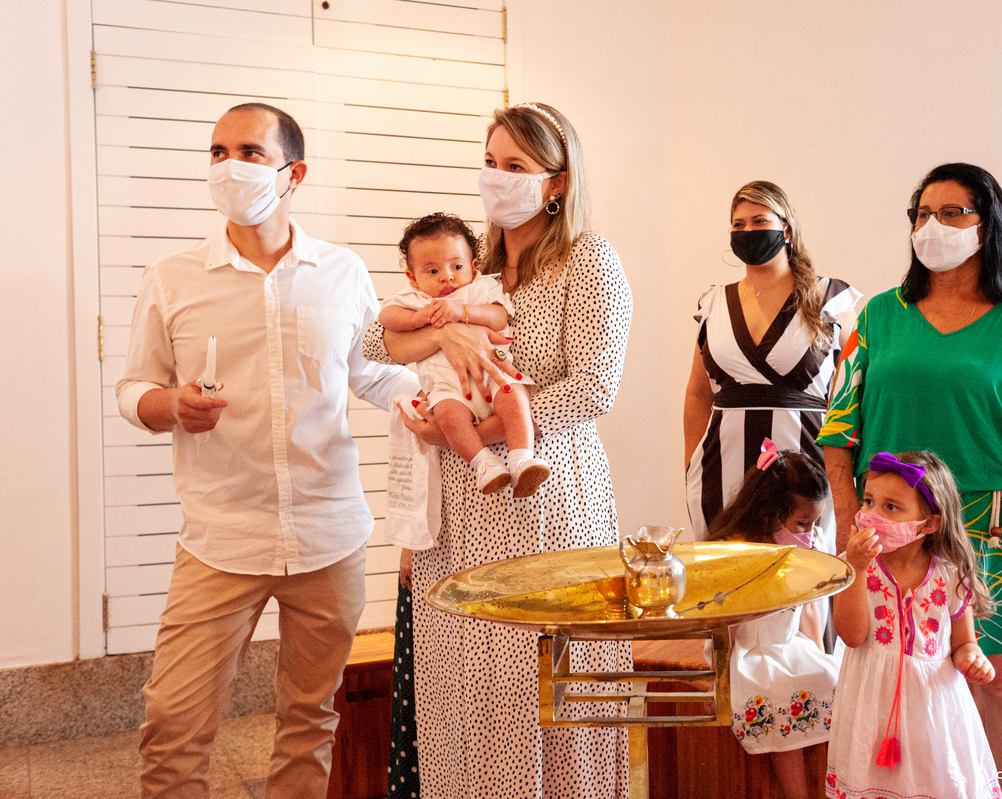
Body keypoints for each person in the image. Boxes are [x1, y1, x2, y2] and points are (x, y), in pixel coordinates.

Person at [116, 102, 418, 799]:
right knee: (172, 726)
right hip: (220, 538)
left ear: (293, 174)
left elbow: (371, 372)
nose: (230, 166)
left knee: (309, 721)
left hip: (329, 535)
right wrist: (172, 405)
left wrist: (446, 393)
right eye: (218, 152)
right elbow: (134, 389)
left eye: (250, 153)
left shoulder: (341, 271)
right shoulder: (172, 277)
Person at [363, 102, 633, 799]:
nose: (496, 177)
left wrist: (478, 435)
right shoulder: (467, 267)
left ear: (557, 182)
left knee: (540, 682)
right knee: (468, 687)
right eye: (489, 162)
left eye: (515, 165)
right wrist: (443, 335)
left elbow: (594, 388)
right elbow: (372, 341)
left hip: (542, 490)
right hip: (460, 508)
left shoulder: (587, 260)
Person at [818, 162, 1002, 799]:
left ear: (986, 225)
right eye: (922, 214)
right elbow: (837, 431)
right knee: (892, 670)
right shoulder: (879, 317)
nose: (932, 226)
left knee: (997, 677)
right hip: (890, 526)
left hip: (992, 528)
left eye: (951, 213)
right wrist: (851, 523)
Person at [683, 180, 861, 548]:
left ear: (787, 229)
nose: (748, 231)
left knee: (807, 573)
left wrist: (848, 476)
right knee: (728, 573)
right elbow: (699, 394)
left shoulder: (830, 299)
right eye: (739, 224)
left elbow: (856, 392)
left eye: (760, 221)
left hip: (809, 468)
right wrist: (691, 463)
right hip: (721, 468)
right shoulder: (714, 303)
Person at [826, 451, 999, 799]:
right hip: (871, 706)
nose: (872, 515)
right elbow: (852, 636)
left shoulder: (951, 576)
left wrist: (972, 658)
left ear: (929, 524)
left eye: (891, 507)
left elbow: (964, 643)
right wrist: (857, 569)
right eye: (868, 502)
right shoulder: (852, 567)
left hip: (933, 711)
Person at [378, 212, 547, 496]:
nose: (447, 276)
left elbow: (499, 316)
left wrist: (462, 312)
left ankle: (522, 458)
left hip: (493, 374)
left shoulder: (480, 287)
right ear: (413, 278)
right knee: (447, 416)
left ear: (473, 266)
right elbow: (386, 317)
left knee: (515, 396)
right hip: (448, 387)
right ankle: (485, 464)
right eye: (432, 271)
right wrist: (417, 318)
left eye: (456, 266)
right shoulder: (416, 298)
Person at [708, 440, 839, 799]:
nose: (810, 534)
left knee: (832, 677)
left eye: (815, 523)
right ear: (768, 515)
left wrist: (818, 653)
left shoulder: (798, 551)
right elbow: (726, 623)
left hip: (789, 646)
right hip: (747, 653)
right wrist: (717, 679)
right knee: (780, 691)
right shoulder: (737, 556)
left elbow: (809, 609)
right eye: (803, 523)